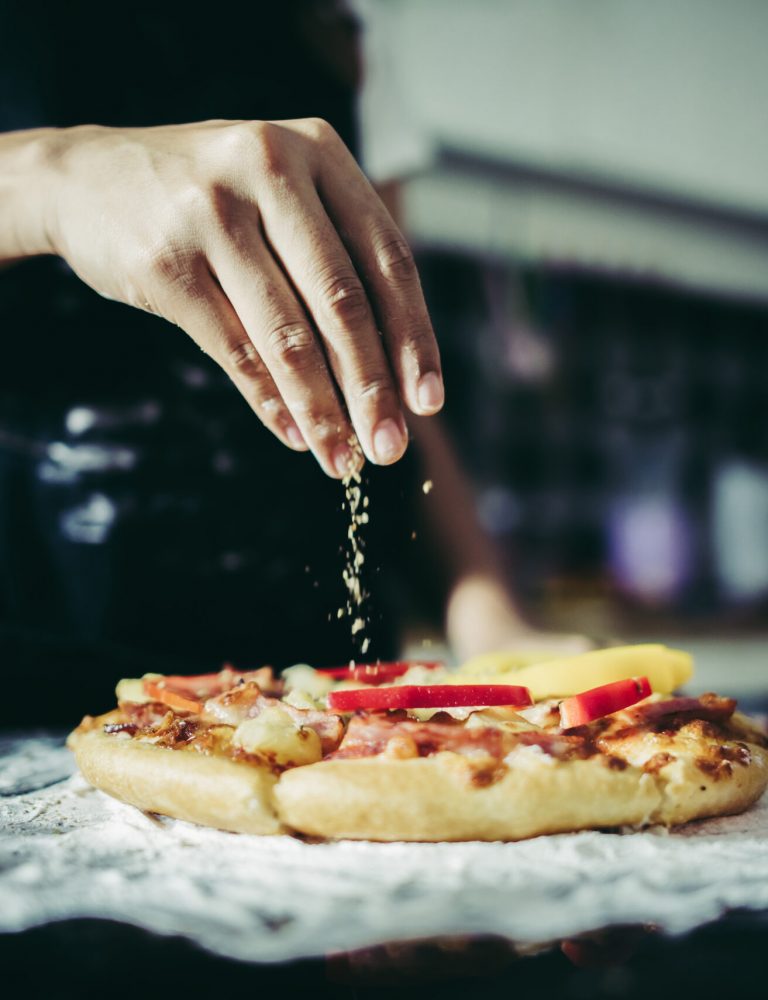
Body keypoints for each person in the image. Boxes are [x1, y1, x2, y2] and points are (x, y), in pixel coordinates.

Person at [0, 0, 584, 725]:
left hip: (319, 691)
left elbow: (378, 374)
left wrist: (485, 611)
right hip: (34, 661)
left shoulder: (341, 26)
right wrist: (48, 179)